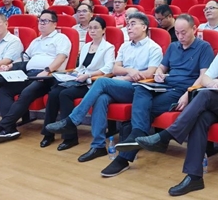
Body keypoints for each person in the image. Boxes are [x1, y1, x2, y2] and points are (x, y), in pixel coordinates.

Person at [134, 16, 218, 196]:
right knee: (200, 118)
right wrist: (215, 84)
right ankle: (194, 177)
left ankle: (167, 135)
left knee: (203, 94)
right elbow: (205, 78)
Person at [104, 15, 216, 177]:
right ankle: (137, 135)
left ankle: (124, 156)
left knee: (143, 111)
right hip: (165, 85)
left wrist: (188, 93)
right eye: (177, 33)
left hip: (182, 90)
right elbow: (162, 67)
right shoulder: (173, 46)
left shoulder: (204, 47)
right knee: (141, 88)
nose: (180, 36)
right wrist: (158, 73)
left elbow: (204, 76)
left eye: (184, 32)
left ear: (194, 29)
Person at [45, 12, 163, 162]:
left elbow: (149, 73)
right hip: (119, 85)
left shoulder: (154, 48)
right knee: (101, 99)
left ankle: (73, 120)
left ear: (144, 27)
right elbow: (115, 69)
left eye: (133, 24)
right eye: (128, 24)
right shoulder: (125, 46)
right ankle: (98, 145)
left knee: (101, 82)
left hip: (137, 89)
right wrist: (129, 70)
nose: (129, 27)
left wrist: (127, 76)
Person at [0, 10, 72, 144]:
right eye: (40, 20)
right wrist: (10, 66)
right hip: (29, 75)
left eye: (46, 21)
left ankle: (0, 127)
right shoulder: (36, 41)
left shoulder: (61, 38)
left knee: (27, 92)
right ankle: (10, 129)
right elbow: (25, 59)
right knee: (4, 90)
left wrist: (47, 70)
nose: (42, 23)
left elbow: (61, 57)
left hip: (48, 77)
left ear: (55, 24)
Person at [40, 16, 116, 150]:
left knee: (65, 94)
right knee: (54, 93)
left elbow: (108, 68)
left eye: (96, 28)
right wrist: (71, 73)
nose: (92, 31)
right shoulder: (86, 46)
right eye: (90, 28)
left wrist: (88, 75)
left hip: (92, 83)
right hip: (79, 79)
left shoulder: (108, 47)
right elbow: (81, 67)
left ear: (103, 30)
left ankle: (70, 137)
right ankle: (48, 133)